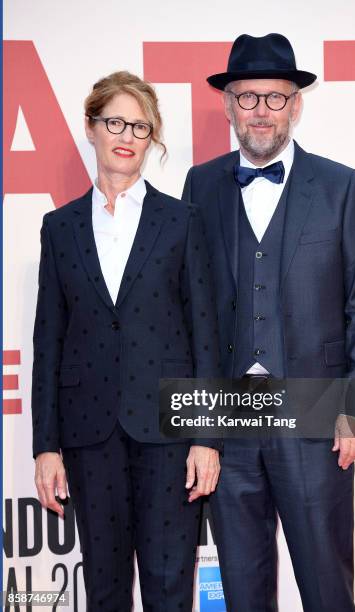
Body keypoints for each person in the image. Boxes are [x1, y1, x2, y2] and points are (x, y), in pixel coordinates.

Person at [182, 33, 355, 612]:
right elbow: (193, 310)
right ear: (228, 105)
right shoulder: (201, 186)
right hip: (230, 419)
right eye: (248, 98)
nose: (261, 112)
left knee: (326, 586)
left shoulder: (344, 186)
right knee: (243, 593)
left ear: (296, 105)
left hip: (317, 416)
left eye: (275, 98)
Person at [32, 70, 221, 611]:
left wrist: (207, 438)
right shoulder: (59, 227)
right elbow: (50, 340)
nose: (127, 135)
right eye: (115, 121)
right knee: (106, 592)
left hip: (169, 434)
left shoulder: (182, 221)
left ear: (152, 139)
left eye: (141, 127)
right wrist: (46, 446)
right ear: (90, 128)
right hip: (89, 436)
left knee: (168, 589)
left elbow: (205, 332)